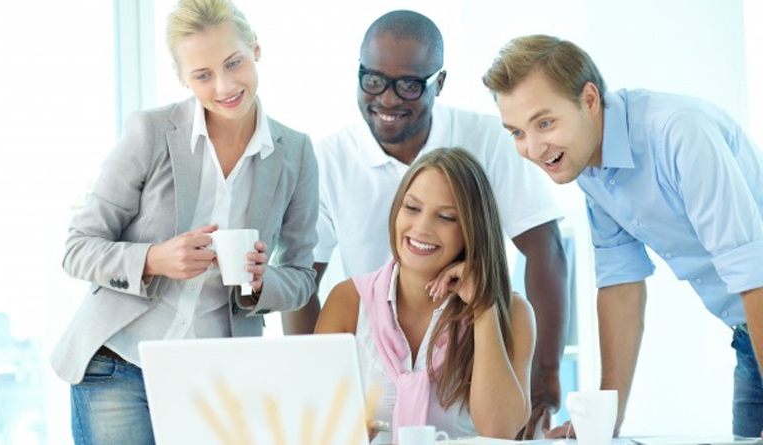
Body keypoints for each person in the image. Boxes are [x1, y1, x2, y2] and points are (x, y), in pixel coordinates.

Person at [281, 10, 569, 438]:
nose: (388, 99)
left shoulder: (492, 140)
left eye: (409, 85)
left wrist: (544, 379)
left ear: (439, 82)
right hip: (374, 319)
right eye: (373, 80)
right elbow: (298, 279)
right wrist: (311, 386)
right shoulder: (348, 297)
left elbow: (546, 249)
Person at [49, 0, 318, 442]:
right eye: (203, 75)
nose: (225, 85)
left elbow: (302, 274)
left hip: (217, 376)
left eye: (234, 62)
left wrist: (260, 282)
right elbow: (78, 248)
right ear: (182, 78)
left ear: (256, 49)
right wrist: (154, 259)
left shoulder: (297, 153)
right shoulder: (150, 133)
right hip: (119, 362)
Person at [483, 34, 763, 437]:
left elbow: (752, 270)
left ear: (590, 99)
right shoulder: (588, 164)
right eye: (517, 132)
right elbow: (620, 282)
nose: (533, 148)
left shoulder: (678, 133)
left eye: (544, 123)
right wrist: (605, 420)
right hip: (749, 338)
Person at [316, 148, 536, 443]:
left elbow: (499, 431)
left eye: (446, 217)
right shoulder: (348, 302)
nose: (421, 228)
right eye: (412, 208)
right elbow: (314, 424)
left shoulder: (513, 312)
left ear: (473, 231)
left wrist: (484, 308)